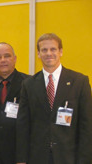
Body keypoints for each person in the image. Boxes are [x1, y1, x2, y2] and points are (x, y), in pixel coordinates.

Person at [16, 33, 92, 164]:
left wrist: (85, 159)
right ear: (38, 54)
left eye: (53, 49)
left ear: (61, 51)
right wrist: (21, 159)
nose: (48, 53)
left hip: (69, 157)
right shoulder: (28, 84)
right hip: (37, 156)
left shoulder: (79, 81)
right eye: (44, 50)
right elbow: (23, 125)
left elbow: (87, 125)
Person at [0, 42, 29, 164]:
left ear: (15, 59)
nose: (3, 60)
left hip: (19, 152)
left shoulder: (29, 84)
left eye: (7, 56)